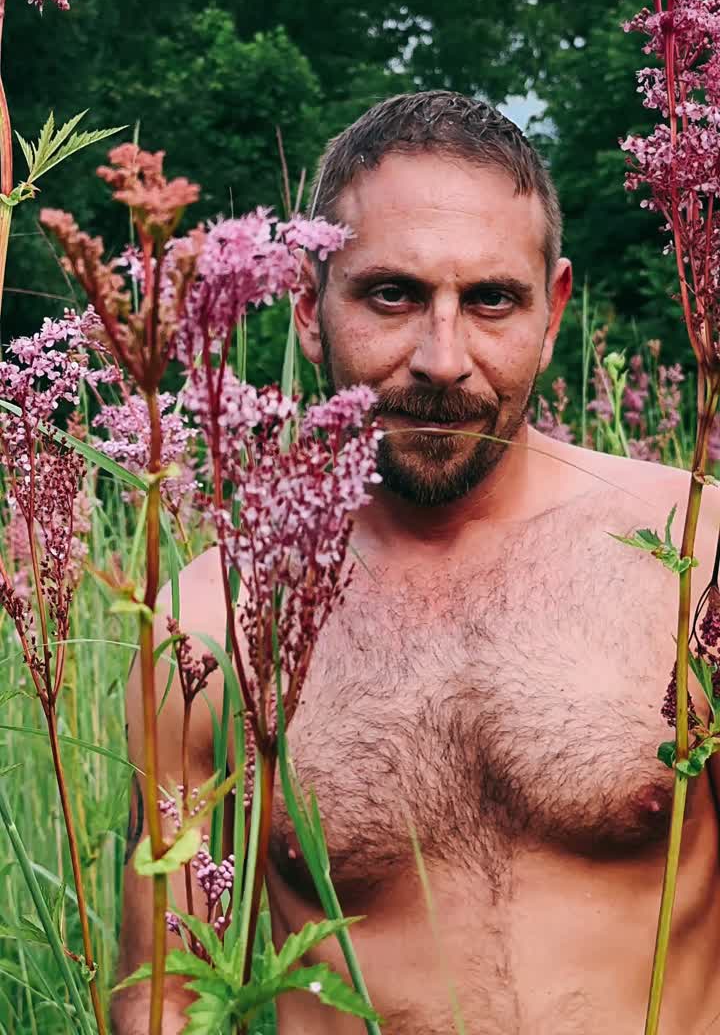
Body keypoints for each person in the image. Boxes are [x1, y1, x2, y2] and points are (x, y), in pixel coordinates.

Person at [112, 91, 720, 1034]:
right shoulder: (208, 623)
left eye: (491, 301)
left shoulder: (690, 553)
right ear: (311, 306)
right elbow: (163, 992)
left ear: (552, 312)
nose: (444, 358)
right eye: (391, 294)